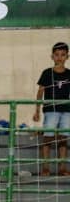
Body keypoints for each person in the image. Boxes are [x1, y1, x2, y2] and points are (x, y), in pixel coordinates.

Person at [33, 41, 70, 176]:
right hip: (50, 111)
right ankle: (45, 167)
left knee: (63, 139)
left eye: (63, 55)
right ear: (52, 56)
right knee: (48, 138)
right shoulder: (47, 73)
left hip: (66, 111)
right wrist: (37, 110)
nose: (59, 57)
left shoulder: (69, 74)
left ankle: (62, 168)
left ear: (67, 57)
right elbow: (40, 92)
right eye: (57, 55)